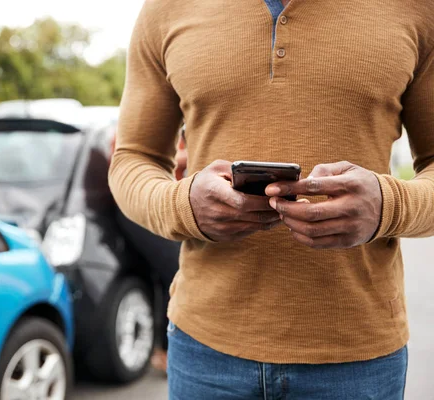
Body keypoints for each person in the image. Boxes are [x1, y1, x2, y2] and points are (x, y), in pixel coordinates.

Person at [108, 0, 434, 398]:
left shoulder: (418, 9)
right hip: (204, 351)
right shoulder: (166, 9)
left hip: (357, 360)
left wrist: (388, 206)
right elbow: (132, 159)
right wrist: (181, 205)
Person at [109, 127, 188, 373]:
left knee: (171, 272)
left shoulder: (183, 130)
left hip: (167, 206)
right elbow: (124, 164)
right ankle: (164, 351)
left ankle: (163, 347)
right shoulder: (132, 130)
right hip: (137, 209)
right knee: (174, 271)